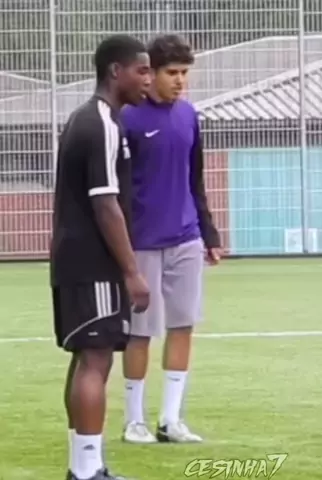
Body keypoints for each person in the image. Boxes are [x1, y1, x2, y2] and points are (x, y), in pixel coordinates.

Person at [50, 34, 152, 480]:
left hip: (73, 261)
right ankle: (89, 470)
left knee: (85, 359)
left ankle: (83, 466)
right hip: (94, 264)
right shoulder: (101, 123)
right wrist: (131, 271)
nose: (147, 79)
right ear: (116, 71)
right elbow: (106, 203)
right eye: (142, 70)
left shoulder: (85, 118)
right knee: (96, 360)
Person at [120, 33, 222, 444]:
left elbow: (195, 178)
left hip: (186, 239)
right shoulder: (127, 118)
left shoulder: (189, 115)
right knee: (140, 332)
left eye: (184, 73)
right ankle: (134, 421)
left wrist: (209, 232)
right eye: (172, 73)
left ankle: (170, 420)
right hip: (142, 242)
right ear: (151, 73)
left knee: (183, 326)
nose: (180, 81)